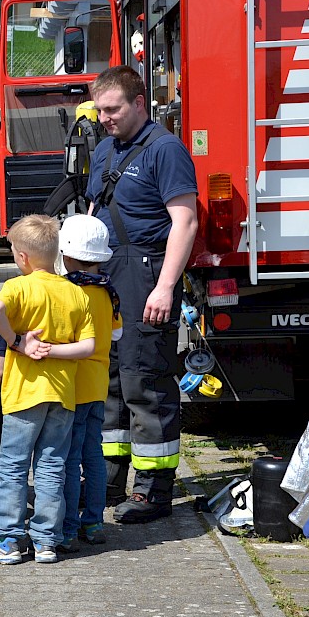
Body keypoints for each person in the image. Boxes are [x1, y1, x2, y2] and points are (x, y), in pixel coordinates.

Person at [85, 66, 198, 525]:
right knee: (108, 380)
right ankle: (110, 478)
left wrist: (166, 286)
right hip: (107, 273)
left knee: (144, 382)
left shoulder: (165, 150)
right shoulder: (106, 148)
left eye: (113, 110)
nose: (105, 118)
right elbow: (94, 210)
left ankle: (154, 491)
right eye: (100, 111)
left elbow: (185, 221)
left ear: (139, 103)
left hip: (145, 272)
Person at [0, 214, 95, 565]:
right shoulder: (76, 293)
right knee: (52, 466)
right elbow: (87, 348)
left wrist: (17, 342)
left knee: (13, 466)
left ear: (23, 257)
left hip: (24, 392)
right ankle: (46, 540)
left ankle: (8, 540)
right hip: (63, 393)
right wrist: (54, 350)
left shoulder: (17, 286)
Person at [57, 215, 123, 551]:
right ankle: (94, 521)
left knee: (69, 457)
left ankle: (68, 528)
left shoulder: (68, 291)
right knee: (93, 455)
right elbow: (117, 333)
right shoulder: (108, 292)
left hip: (71, 386)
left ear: (65, 254)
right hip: (98, 384)